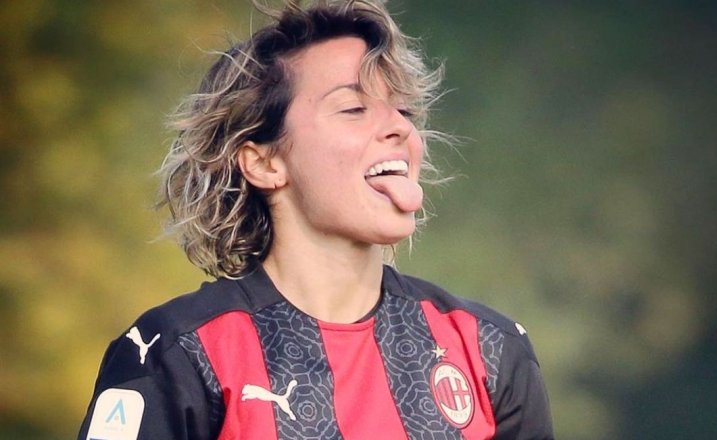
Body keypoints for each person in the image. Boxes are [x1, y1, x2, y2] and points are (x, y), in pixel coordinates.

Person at [77, 1, 553, 439]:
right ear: (264, 163)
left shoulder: (489, 347)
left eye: (404, 110)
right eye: (353, 108)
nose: (400, 127)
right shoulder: (174, 352)